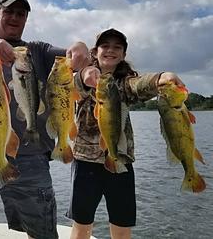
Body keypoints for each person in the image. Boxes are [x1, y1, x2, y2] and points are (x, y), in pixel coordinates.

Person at [0, 0, 90, 239]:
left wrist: (80, 47)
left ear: (25, 19)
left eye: (20, 13)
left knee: (43, 232)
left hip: (29, 152)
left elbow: (70, 58)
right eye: (8, 11)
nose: (14, 17)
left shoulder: (39, 51)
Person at [67, 28, 185, 239]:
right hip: (85, 163)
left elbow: (141, 85)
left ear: (123, 54)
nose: (110, 50)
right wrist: (85, 75)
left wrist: (162, 78)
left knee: (121, 228)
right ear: (95, 51)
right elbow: (73, 85)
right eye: (105, 46)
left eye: (117, 47)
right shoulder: (83, 77)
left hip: (120, 161)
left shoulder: (125, 83)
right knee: (81, 226)